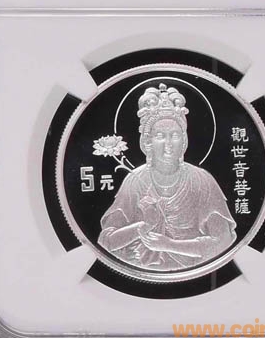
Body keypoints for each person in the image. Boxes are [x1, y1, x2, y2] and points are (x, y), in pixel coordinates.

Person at [98, 83, 236, 271]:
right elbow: (106, 241)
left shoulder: (201, 181)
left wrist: (169, 245)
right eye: (160, 135)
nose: (168, 143)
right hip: (140, 271)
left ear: (184, 140)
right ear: (148, 142)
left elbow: (222, 242)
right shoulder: (135, 181)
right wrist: (142, 227)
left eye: (175, 135)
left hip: (196, 272)